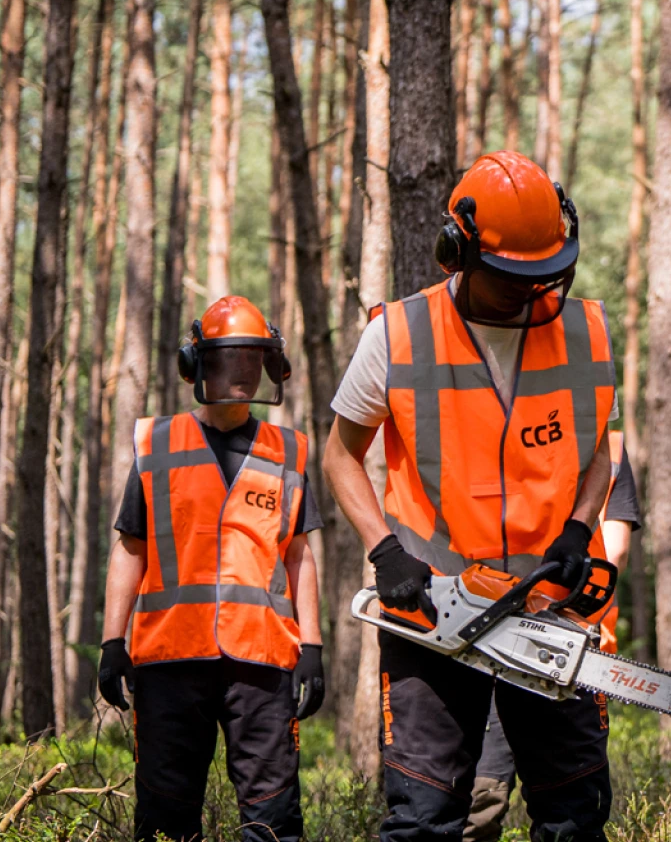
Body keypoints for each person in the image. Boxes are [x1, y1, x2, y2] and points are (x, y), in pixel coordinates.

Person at [322, 150, 622, 842]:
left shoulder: (587, 331)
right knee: (425, 819)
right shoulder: (396, 336)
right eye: (512, 276)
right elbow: (340, 455)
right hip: (436, 607)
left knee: (573, 818)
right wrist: (385, 550)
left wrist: (579, 528)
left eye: (542, 274)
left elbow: (601, 448)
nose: (529, 290)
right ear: (457, 252)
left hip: (551, 608)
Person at [98, 295, 325, 842]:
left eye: (251, 362)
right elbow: (131, 548)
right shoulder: (157, 445)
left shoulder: (286, 450)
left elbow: (298, 554)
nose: (239, 375)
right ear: (198, 366)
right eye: (227, 361)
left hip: (263, 661)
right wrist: (111, 642)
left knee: (272, 818)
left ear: (266, 366)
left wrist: (312, 648)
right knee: (164, 817)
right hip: (169, 659)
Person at [464, 434, 639, 842]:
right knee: (541, 804)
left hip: (528, 637)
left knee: (491, 801)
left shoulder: (607, 446)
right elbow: (616, 552)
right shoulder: (608, 443)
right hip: (532, 635)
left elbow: (616, 552)